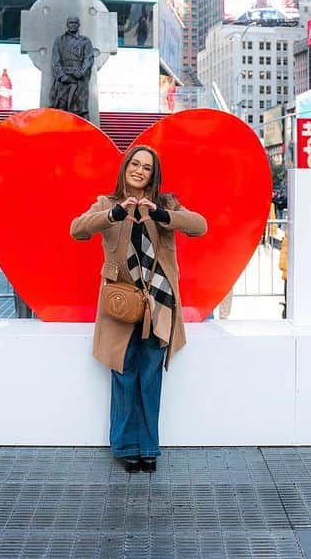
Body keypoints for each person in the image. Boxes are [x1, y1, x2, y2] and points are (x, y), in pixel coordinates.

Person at [70, 146, 207, 473]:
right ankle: (124, 445)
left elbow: (199, 225)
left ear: (153, 174)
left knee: (150, 376)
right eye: (135, 164)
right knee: (123, 372)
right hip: (121, 302)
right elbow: (77, 229)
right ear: (125, 168)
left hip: (159, 302)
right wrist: (115, 215)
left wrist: (160, 216)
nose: (139, 171)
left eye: (147, 167)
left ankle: (148, 447)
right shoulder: (107, 203)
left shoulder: (166, 204)